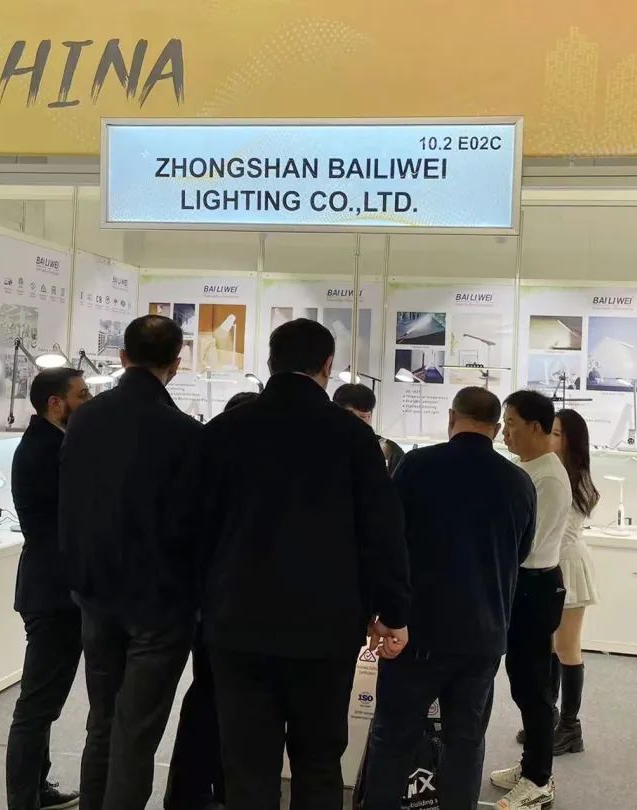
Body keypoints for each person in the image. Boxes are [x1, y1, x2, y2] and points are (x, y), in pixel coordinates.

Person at [201, 318, 411, 810]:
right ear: (327, 365)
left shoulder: (223, 432)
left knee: (247, 763)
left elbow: (191, 528)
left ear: (270, 361)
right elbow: (382, 531)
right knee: (318, 761)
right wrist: (393, 611)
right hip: (326, 626)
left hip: (237, 621)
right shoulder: (354, 437)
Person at [360, 387, 536, 810]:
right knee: (465, 741)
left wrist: (382, 611)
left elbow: (388, 541)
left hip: (416, 631)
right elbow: (522, 551)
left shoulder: (416, 466)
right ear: (495, 428)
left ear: (451, 418)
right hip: (484, 634)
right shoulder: (519, 482)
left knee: (393, 736)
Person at [59, 315, 203, 810]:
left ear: (122, 358)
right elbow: (191, 524)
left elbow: (71, 502)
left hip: (94, 593)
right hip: (159, 604)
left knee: (102, 721)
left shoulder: (84, 419)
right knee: (136, 731)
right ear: (176, 365)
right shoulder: (184, 432)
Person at [164, 392, 259, 810]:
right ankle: (214, 790)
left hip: (207, 609)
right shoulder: (246, 479)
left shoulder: (207, 471)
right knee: (224, 705)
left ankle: (191, 792)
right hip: (230, 611)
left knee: (206, 699)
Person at [6, 368, 92, 810]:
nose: (89, 401)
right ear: (56, 403)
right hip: (53, 594)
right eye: (83, 394)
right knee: (37, 705)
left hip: (51, 588)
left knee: (44, 704)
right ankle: (25, 799)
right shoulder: (48, 451)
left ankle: (37, 788)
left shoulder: (52, 442)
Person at [490, 390, 570, 810]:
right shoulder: (527, 467)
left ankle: (539, 779)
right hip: (521, 584)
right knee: (522, 680)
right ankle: (530, 766)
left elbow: (528, 544)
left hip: (535, 587)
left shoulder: (548, 478)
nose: (505, 433)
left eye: (511, 425)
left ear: (536, 427)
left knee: (533, 686)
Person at [512, 409, 600, 756]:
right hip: (550, 566)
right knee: (549, 647)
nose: (551, 438)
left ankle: (570, 727)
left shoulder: (571, 480)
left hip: (567, 566)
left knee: (567, 647)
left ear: (571, 441)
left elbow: (560, 532)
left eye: (558, 433)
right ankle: (548, 717)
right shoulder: (546, 471)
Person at [332, 382, 406, 474]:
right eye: (350, 416)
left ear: (370, 416)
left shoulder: (389, 450)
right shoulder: (322, 446)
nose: (357, 423)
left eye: (363, 417)